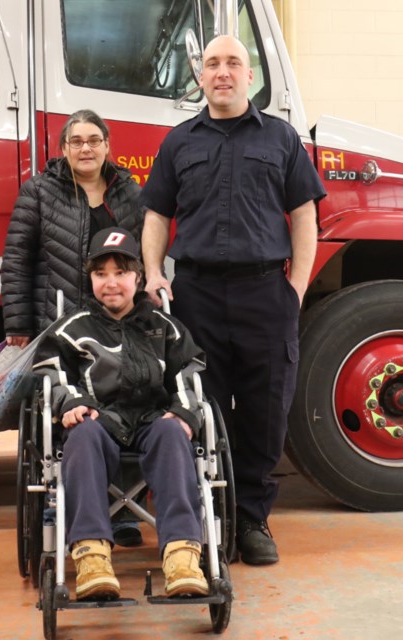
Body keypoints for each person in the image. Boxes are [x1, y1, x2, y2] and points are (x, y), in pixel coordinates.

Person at [141, 35, 327, 566]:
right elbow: (156, 213)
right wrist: (154, 271)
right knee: (204, 408)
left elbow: (304, 216)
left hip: (266, 291)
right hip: (196, 293)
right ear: (200, 77)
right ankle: (209, 517)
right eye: (212, 64)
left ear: (250, 77)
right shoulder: (179, 142)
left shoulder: (283, 139)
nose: (222, 72)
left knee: (266, 411)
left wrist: (296, 288)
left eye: (233, 63)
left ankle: (252, 519)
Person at [32, 228, 209, 601]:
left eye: (121, 273)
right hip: (100, 418)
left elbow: (189, 374)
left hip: (153, 420)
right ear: (90, 278)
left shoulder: (166, 329)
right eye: (100, 274)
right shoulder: (71, 329)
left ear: (139, 278)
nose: (111, 283)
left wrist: (182, 414)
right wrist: (71, 403)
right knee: (80, 436)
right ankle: (92, 556)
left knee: (173, 434)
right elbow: (50, 372)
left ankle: (182, 556)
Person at [1, 109, 146, 547]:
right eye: (77, 141)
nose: (86, 148)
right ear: (63, 149)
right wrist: (19, 322)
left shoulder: (129, 192)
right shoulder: (40, 191)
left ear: (107, 146)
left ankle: (124, 514)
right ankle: (72, 504)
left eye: (94, 140)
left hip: (118, 322)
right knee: (74, 411)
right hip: (59, 322)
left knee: (131, 400)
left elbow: (141, 258)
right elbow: (16, 259)